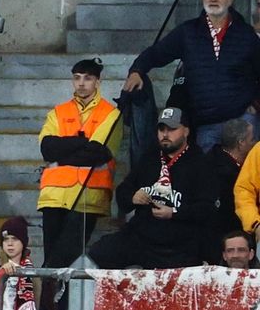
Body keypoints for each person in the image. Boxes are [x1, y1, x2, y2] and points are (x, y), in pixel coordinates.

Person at [126, 0, 260, 150]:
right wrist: (137, 70)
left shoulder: (246, 34)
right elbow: (156, 53)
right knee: (208, 176)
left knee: (247, 176)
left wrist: (255, 104)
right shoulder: (188, 32)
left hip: (242, 121)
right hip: (205, 124)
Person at [89, 107, 219, 269]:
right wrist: (133, 197)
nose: (165, 134)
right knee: (99, 252)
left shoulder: (201, 163)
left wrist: (174, 213)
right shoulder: (149, 158)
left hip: (179, 242)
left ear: (186, 131)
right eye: (161, 129)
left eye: (172, 129)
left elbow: (207, 209)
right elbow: (123, 192)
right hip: (142, 236)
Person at [38, 58, 121, 281]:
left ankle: (47, 306)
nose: (81, 83)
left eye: (88, 78)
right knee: (54, 261)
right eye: (77, 78)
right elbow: (47, 148)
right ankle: (50, 307)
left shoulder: (110, 113)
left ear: (98, 81)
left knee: (59, 262)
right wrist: (81, 143)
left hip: (87, 195)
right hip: (54, 196)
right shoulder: (58, 111)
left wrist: (65, 148)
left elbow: (98, 152)